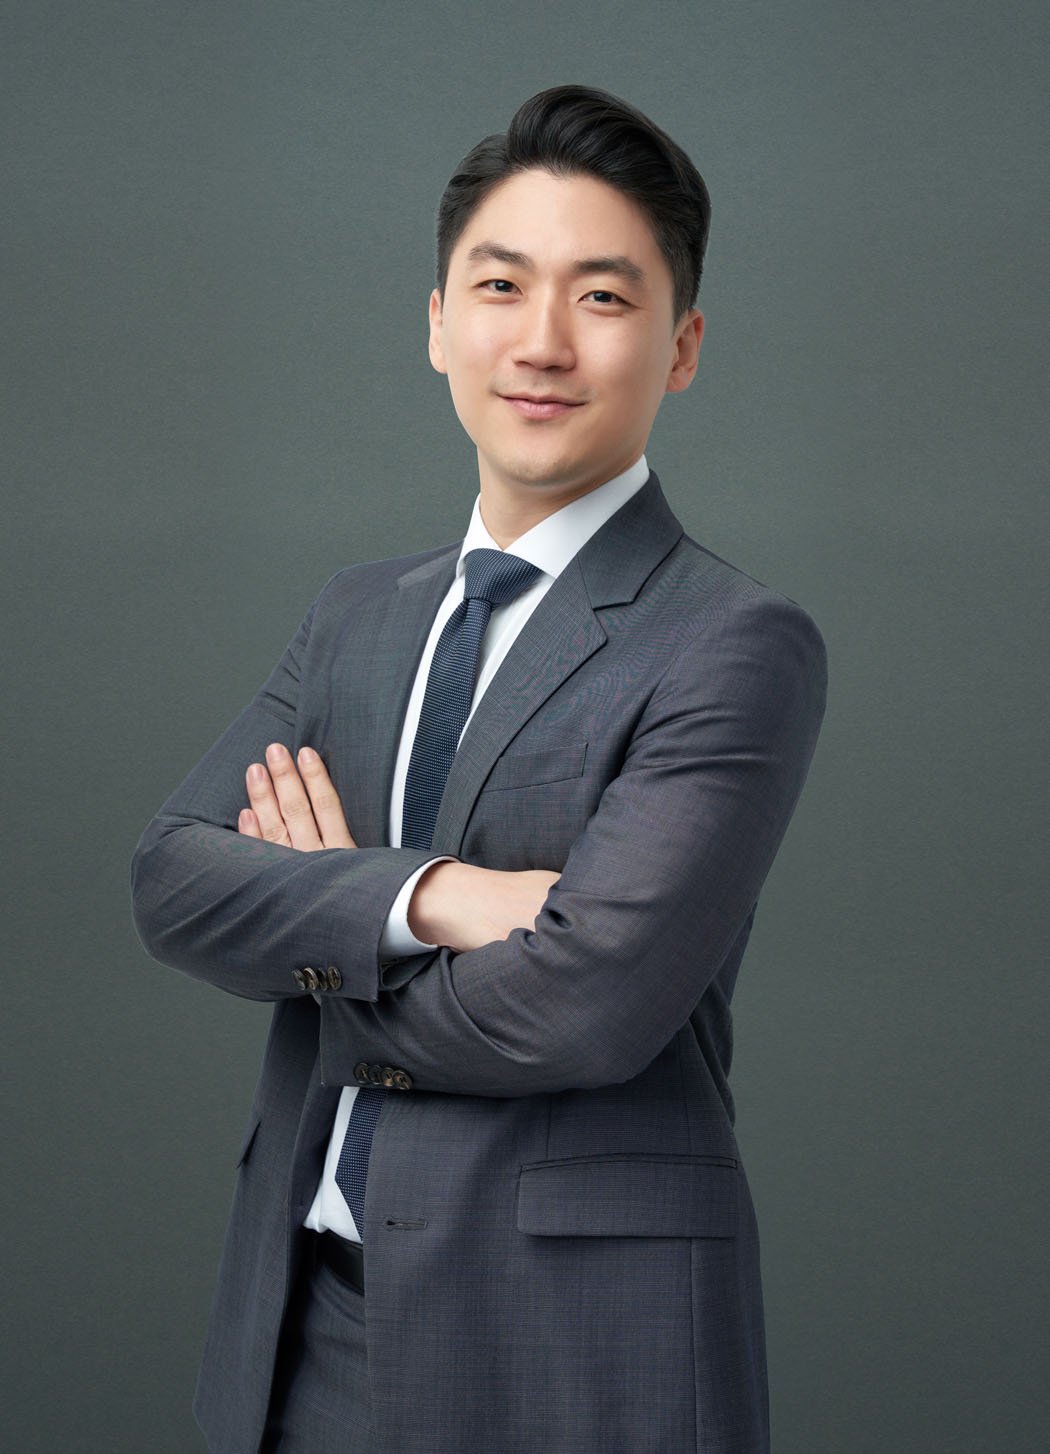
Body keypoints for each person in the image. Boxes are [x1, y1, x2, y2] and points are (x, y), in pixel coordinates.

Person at [132, 84, 826, 1454]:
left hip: (572, 1343)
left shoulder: (732, 641)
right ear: (440, 322)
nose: (543, 341)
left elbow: (582, 1010)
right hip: (301, 1324)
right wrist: (435, 896)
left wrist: (320, 934)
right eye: (501, 287)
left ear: (682, 346)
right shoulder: (356, 615)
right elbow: (172, 880)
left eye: (604, 298)